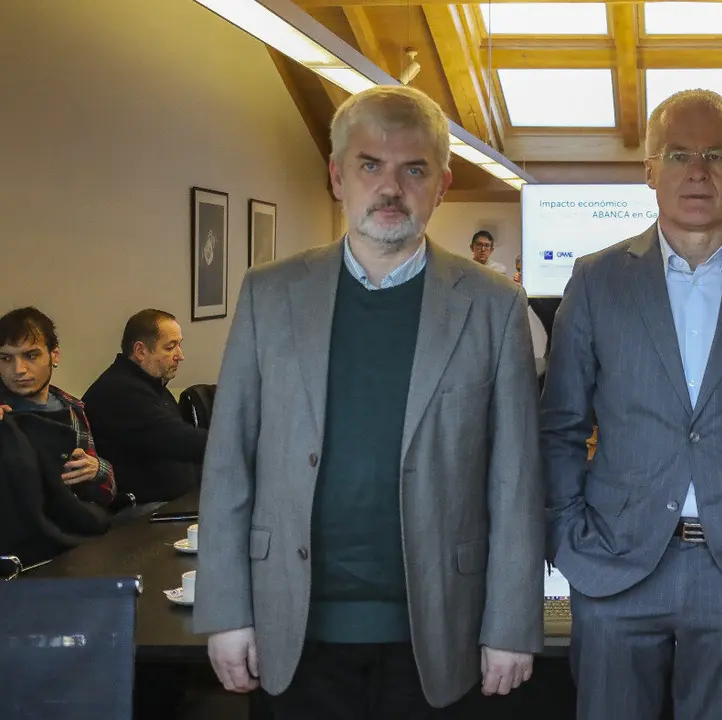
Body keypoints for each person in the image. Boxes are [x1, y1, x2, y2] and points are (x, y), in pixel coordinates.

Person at [193, 84, 544, 719]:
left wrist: (512, 623)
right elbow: (228, 463)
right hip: (290, 625)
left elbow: (515, 478)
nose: (390, 188)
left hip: (441, 628)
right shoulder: (269, 294)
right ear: (337, 176)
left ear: (442, 185)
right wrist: (225, 610)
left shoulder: (494, 307)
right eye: (370, 165)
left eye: (414, 170)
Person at [540, 89, 722, 720]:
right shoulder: (596, 280)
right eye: (678, 154)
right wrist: (567, 537)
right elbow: (560, 427)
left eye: (716, 155)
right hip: (613, 566)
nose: (698, 171)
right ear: (650, 171)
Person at [82, 309, 207, 503]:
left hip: (176, 500)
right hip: (143, 508)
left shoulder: (150, 385)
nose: (180, 355)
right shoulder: (120, 391)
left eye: (179, 345)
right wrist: (233, 444)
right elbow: (177, 440)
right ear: (140, 351)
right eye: (170, 347)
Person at [0, 307, 115, 508]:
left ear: (54, 356)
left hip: (71, 520)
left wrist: (98, 470)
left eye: (31, 355)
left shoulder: (72, 408)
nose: (18, 370)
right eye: (6, 358)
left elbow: (107, 494)